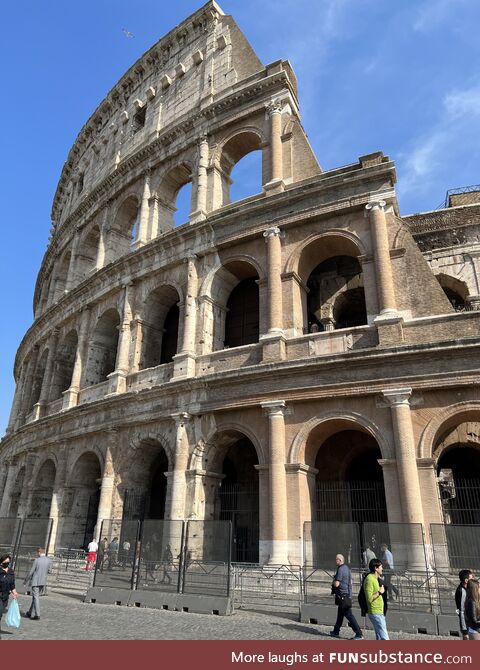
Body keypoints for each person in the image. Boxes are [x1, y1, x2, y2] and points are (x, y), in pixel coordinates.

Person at [329, 553, 363, 640]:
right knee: (340, 615)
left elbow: (337, 584)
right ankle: (336, 631)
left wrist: (333, 582)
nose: (335, 561)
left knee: (349, 615)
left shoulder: (340, 569)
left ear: (340, 560)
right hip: (346, 595)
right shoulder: (347, 568)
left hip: (342, 595)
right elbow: (351, 582)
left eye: (336, 559)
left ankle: (359, 633)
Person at [24, 547, 52, 621]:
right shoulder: (49, 560)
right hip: (43, 582)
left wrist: (25, 580)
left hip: (36, 581)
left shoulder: (37, 560)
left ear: (39, 553)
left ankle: (37, 614)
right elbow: (50, 571)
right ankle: (29, 613)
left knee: (36, 598)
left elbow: (31, 571)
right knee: (35, 597)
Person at [364, 558, 389, 640]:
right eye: (381, 566)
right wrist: (380, 592)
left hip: (379, 612)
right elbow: (369, 598)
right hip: (375, 612)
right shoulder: (369, 579)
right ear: (376, 568)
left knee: (379, 637)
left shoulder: (375, 578)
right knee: (384, 638)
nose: (382, 568)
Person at [0, 554, 18, 638]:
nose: (6, 564)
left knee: (1, 612)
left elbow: (12, 584)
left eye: (8, 562)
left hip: (5, 596)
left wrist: (14, 592)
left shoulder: (11, 572)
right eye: (5, 562)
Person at [456, 569, 474, 640]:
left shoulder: (469, 587)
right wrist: (464, 630)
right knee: (466, 638)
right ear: (466, 581)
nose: (473, 579)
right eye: (471, 578)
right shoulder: (461, 591)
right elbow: (461, 611)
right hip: (466, 621)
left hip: (472, 619)